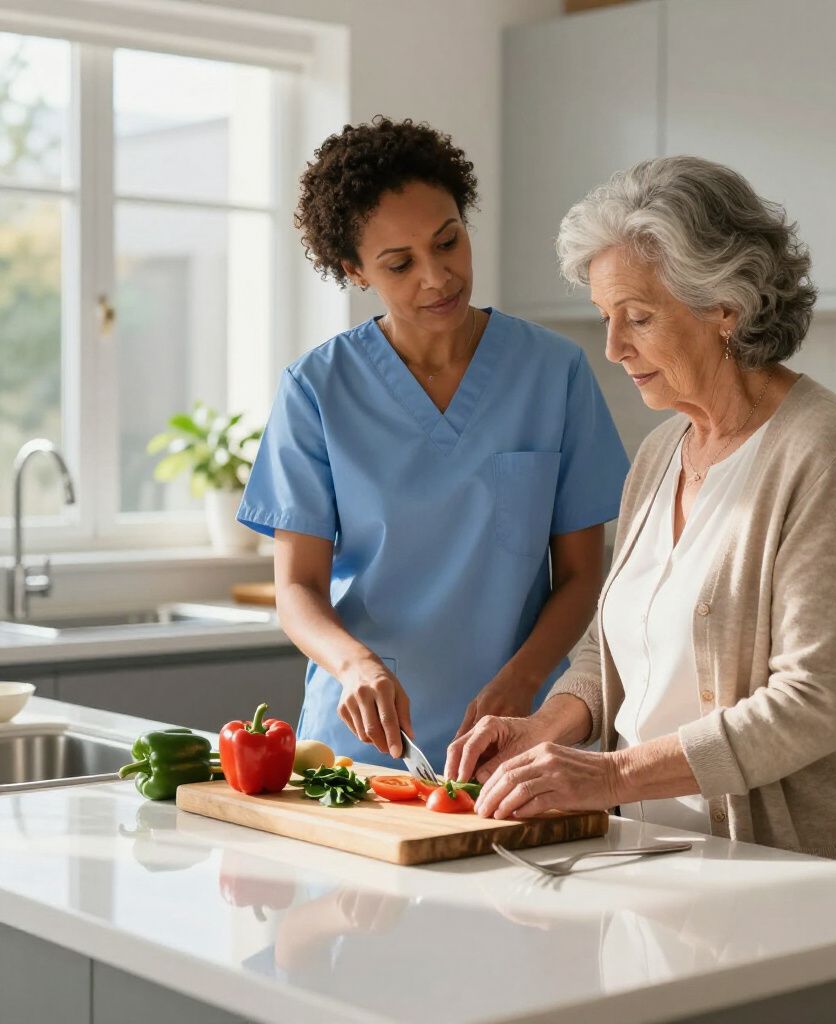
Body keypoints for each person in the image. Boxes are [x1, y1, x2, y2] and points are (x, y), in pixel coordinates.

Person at [448, 156, 836, 872]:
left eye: (638, 317)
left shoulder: (827, 450)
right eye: (608, 318)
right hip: (663, 856)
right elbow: (615, 650)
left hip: (810, 870)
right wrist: (546, 727)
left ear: (724, 308)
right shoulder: (661, 451)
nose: (613, 348)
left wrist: (607, 776)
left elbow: (811, 702)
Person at [237, 117, 629, 770]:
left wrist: (522, 681)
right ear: (354, 270)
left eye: (449, 242)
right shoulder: (317, 389)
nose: (438, 276)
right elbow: (297, 588)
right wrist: (354, 665)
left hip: (521, 735)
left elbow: (584, 575)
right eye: (399, 263)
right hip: (367, 745)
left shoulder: (553, 374)